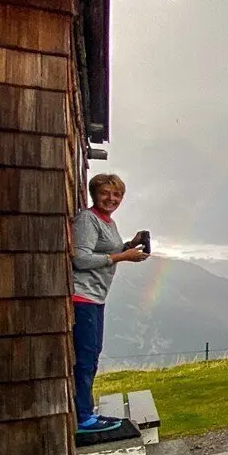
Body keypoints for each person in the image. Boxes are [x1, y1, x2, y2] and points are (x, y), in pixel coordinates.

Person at [71, 173, 148, 434]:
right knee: (86, 356)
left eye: (117, 195)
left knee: (91, 354)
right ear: (95, 193)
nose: (111, 199)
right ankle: (83, 417)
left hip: (95, 296)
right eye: (106, 193)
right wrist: (122, 256)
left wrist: (131, 244)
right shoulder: (87, 219)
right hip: (82, 296)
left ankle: (84, 410)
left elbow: (103, 250)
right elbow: (80, 259)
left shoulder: (108, 222)